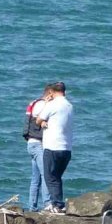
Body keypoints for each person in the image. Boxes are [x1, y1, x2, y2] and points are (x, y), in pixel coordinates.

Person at [35, 81, 73, 215]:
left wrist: (43, 119)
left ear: (51, 92)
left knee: (50, 177)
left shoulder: (52, 104)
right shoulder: (69, 105)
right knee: (57, 178)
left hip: (52, 146)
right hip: (66, 148)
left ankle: (57, 205)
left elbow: (38, 119)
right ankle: (58, 204)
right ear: (64, 92)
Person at [23, 87, 50, 211]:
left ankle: (32, 207)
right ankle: (47, 204)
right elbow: (40, 119)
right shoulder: (42, 105)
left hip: (31, 143)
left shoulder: (34, 103)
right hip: (38, 144)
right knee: (46, 174)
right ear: (49, 94)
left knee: (36, 178)